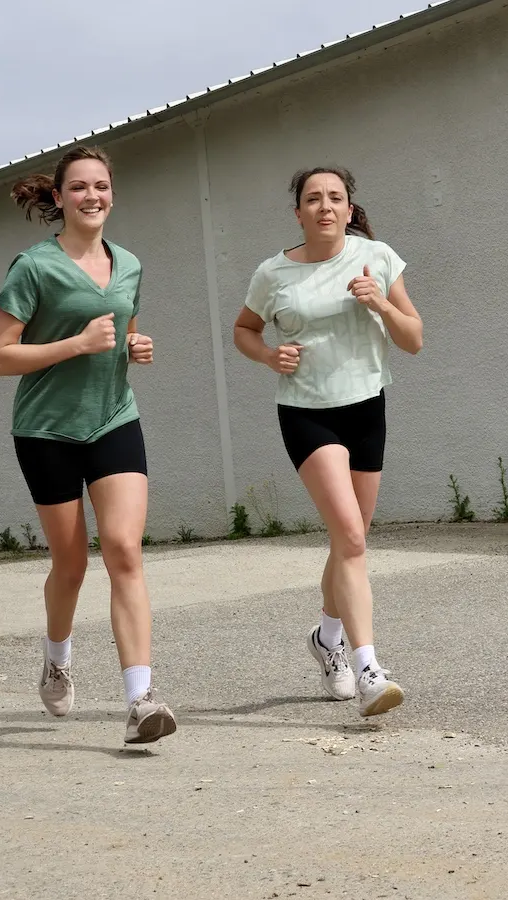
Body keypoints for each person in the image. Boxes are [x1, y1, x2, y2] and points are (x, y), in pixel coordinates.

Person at [0, 145, 176, 743]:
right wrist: (75, 344)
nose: (92, 196)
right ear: (59, 196)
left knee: (123, 550)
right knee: (70, 565)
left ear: (111, 193)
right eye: (79, 187)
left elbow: (122, 331)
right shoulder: (34, 267)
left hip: (114, 419)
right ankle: (57, 656)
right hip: (46, 429)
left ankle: (140, 699)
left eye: (101, 186)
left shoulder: (130, 264)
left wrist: (137, 347)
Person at [234, 167, 423, 717]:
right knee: (352, 537)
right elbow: (244, 329)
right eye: (313, 199)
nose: (324, 207)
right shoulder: (273, 273)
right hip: (307, 413)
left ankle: (327, 637)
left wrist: (381, 304)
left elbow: (413, 338)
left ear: (348, 209)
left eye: (335, 198)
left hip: (366, 408)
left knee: (350, 541)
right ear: (298, 213)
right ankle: (369, 670)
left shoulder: (377, 257)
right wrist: (268, 355)